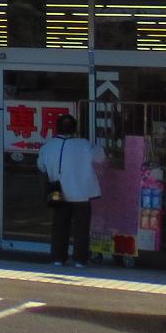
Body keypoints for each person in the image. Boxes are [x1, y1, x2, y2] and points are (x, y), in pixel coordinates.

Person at [37, 114, 102, 268]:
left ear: (56, 128)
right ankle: (80, 259)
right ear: (75, 129)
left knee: (59, 225)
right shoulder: (85, 144)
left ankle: (58, 258)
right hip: (82, 192)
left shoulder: (48, 146)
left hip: (58, 191)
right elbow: (101, 157)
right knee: (82, 227)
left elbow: (41, 166)